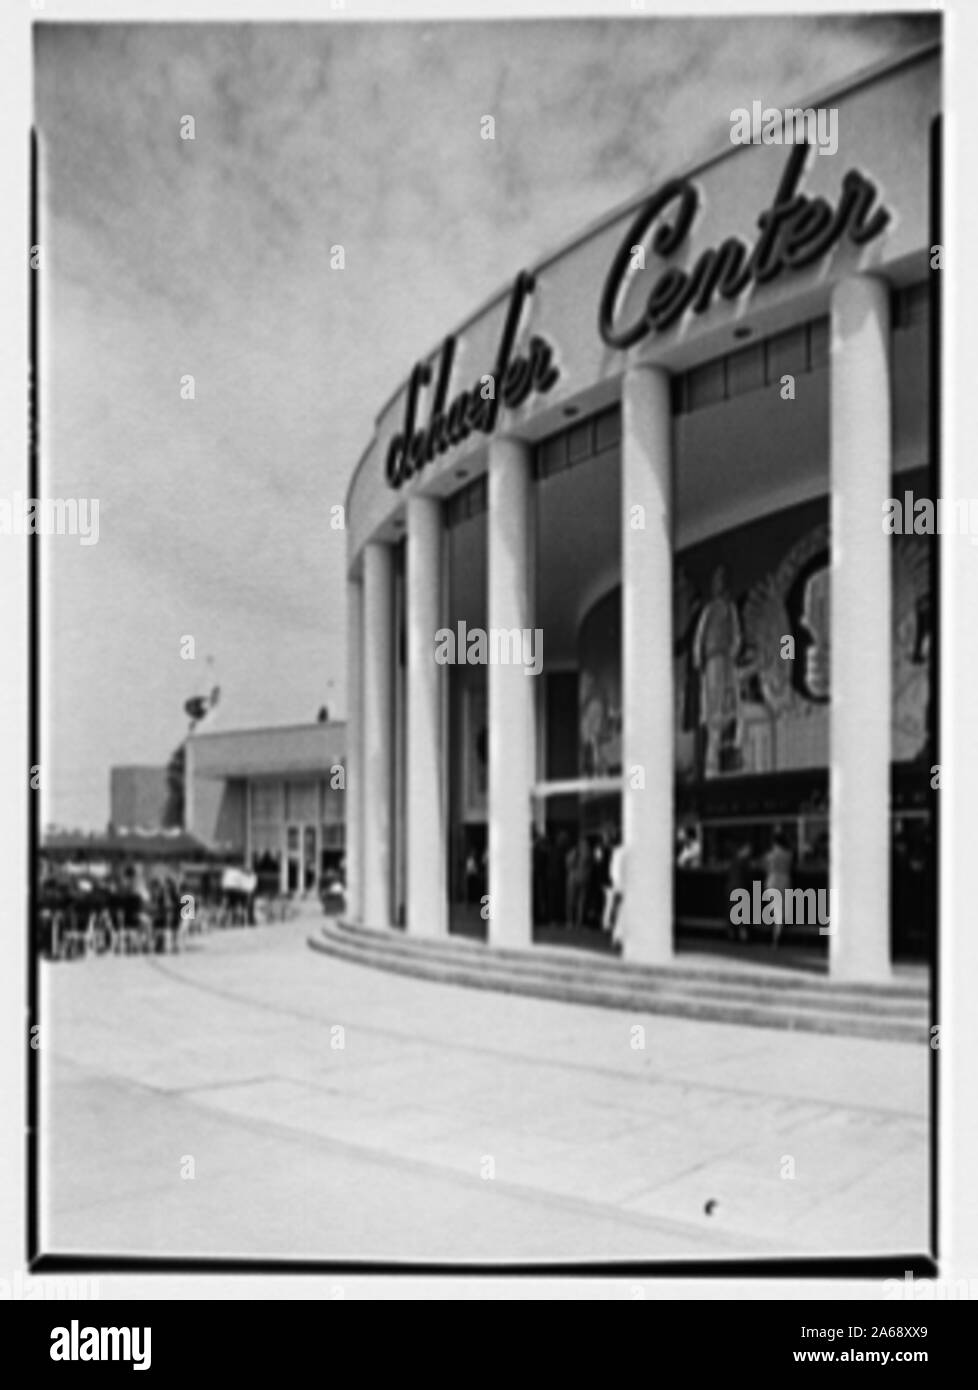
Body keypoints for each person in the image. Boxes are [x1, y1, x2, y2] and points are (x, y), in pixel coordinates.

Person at [765, 829, 793, 948]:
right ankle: (777, 935)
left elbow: (767, 869)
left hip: (773, 882)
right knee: (780, 912)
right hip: (785, 882)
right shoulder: (789, 854)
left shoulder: (770, 855)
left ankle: (775, 937)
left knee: (775, 911)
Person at [603, 833, 625, 940]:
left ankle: (609, 926)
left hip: (616, 882)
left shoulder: (616, 852)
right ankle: (613, 930)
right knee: (617, 907)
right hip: (619, 883)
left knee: (614, 906)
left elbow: (613, 870)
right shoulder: (619, 852)